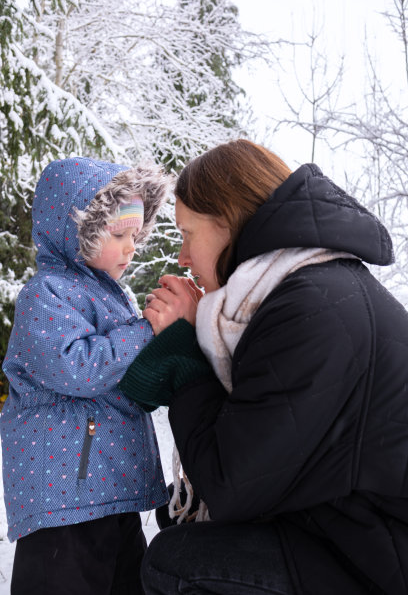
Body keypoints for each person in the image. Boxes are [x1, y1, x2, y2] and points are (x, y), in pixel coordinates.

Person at [118, 139, 408, 595]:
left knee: (176, 562)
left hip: (378, 559)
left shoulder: (311, 310)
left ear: (228, 220)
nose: (182, 257)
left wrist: (184, 354)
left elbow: (228, 487)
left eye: (188, 233)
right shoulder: (311, 287)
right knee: (177, 519)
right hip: (350, 529)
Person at [1, 157, 172, 595]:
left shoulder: (114, 297)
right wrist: (146, 330)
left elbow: (128, 376)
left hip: (109, 491)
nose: (131, 247)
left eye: (135, 235)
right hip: (65, 500)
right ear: (75, 230)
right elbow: (77, 368)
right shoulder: (47, 294)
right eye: (118, 235)